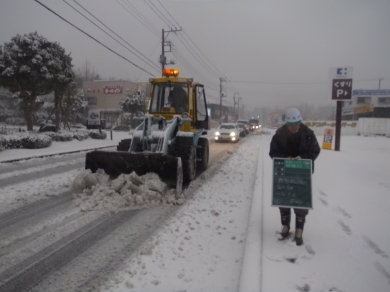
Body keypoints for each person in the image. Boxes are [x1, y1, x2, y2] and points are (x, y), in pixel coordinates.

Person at [269, 107, 321, 246]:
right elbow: (273, 152)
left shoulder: (309, 135)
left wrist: (302, 158)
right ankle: (285, 226)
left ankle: (299, 229)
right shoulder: (279, 135)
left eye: (297, 125)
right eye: (291, 126)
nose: (294, 128)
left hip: (302, 174)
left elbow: (315, 151)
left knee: (301, 202)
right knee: (284, 200)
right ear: (286, 124)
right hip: (284, 173)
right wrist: (285, 158)